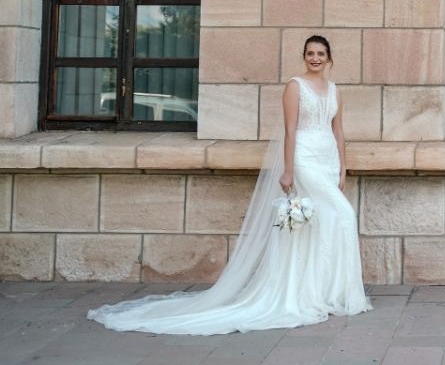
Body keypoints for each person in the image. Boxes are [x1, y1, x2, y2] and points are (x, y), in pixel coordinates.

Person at [88, 35, 371, 334]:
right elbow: (290, 130)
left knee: (322, 222)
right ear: (304, 56)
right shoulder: (295, 86)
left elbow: (339, 131)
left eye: (320, 53)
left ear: (329, 58)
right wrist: (288, 170)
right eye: (310, 53)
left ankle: (323, 292)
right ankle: (304, 294)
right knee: (344, 214)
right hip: (304, 158)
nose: (315, 58)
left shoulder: (335, 90)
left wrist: (342, 167)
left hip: (328, 159)